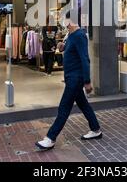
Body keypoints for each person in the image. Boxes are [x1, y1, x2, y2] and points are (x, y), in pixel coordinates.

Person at [36, 11, 102, 150]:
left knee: (64, 107)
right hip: (71, 76)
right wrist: (62, 46)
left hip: (75, 78)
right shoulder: (71, 35)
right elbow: (70, 48)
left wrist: (87, 81)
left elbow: (85, 59)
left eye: (64, 20)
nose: (62, 23)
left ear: (70, 21)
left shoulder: (79, 36)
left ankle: (50, 138)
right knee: (83, 104)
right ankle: (96, 129)